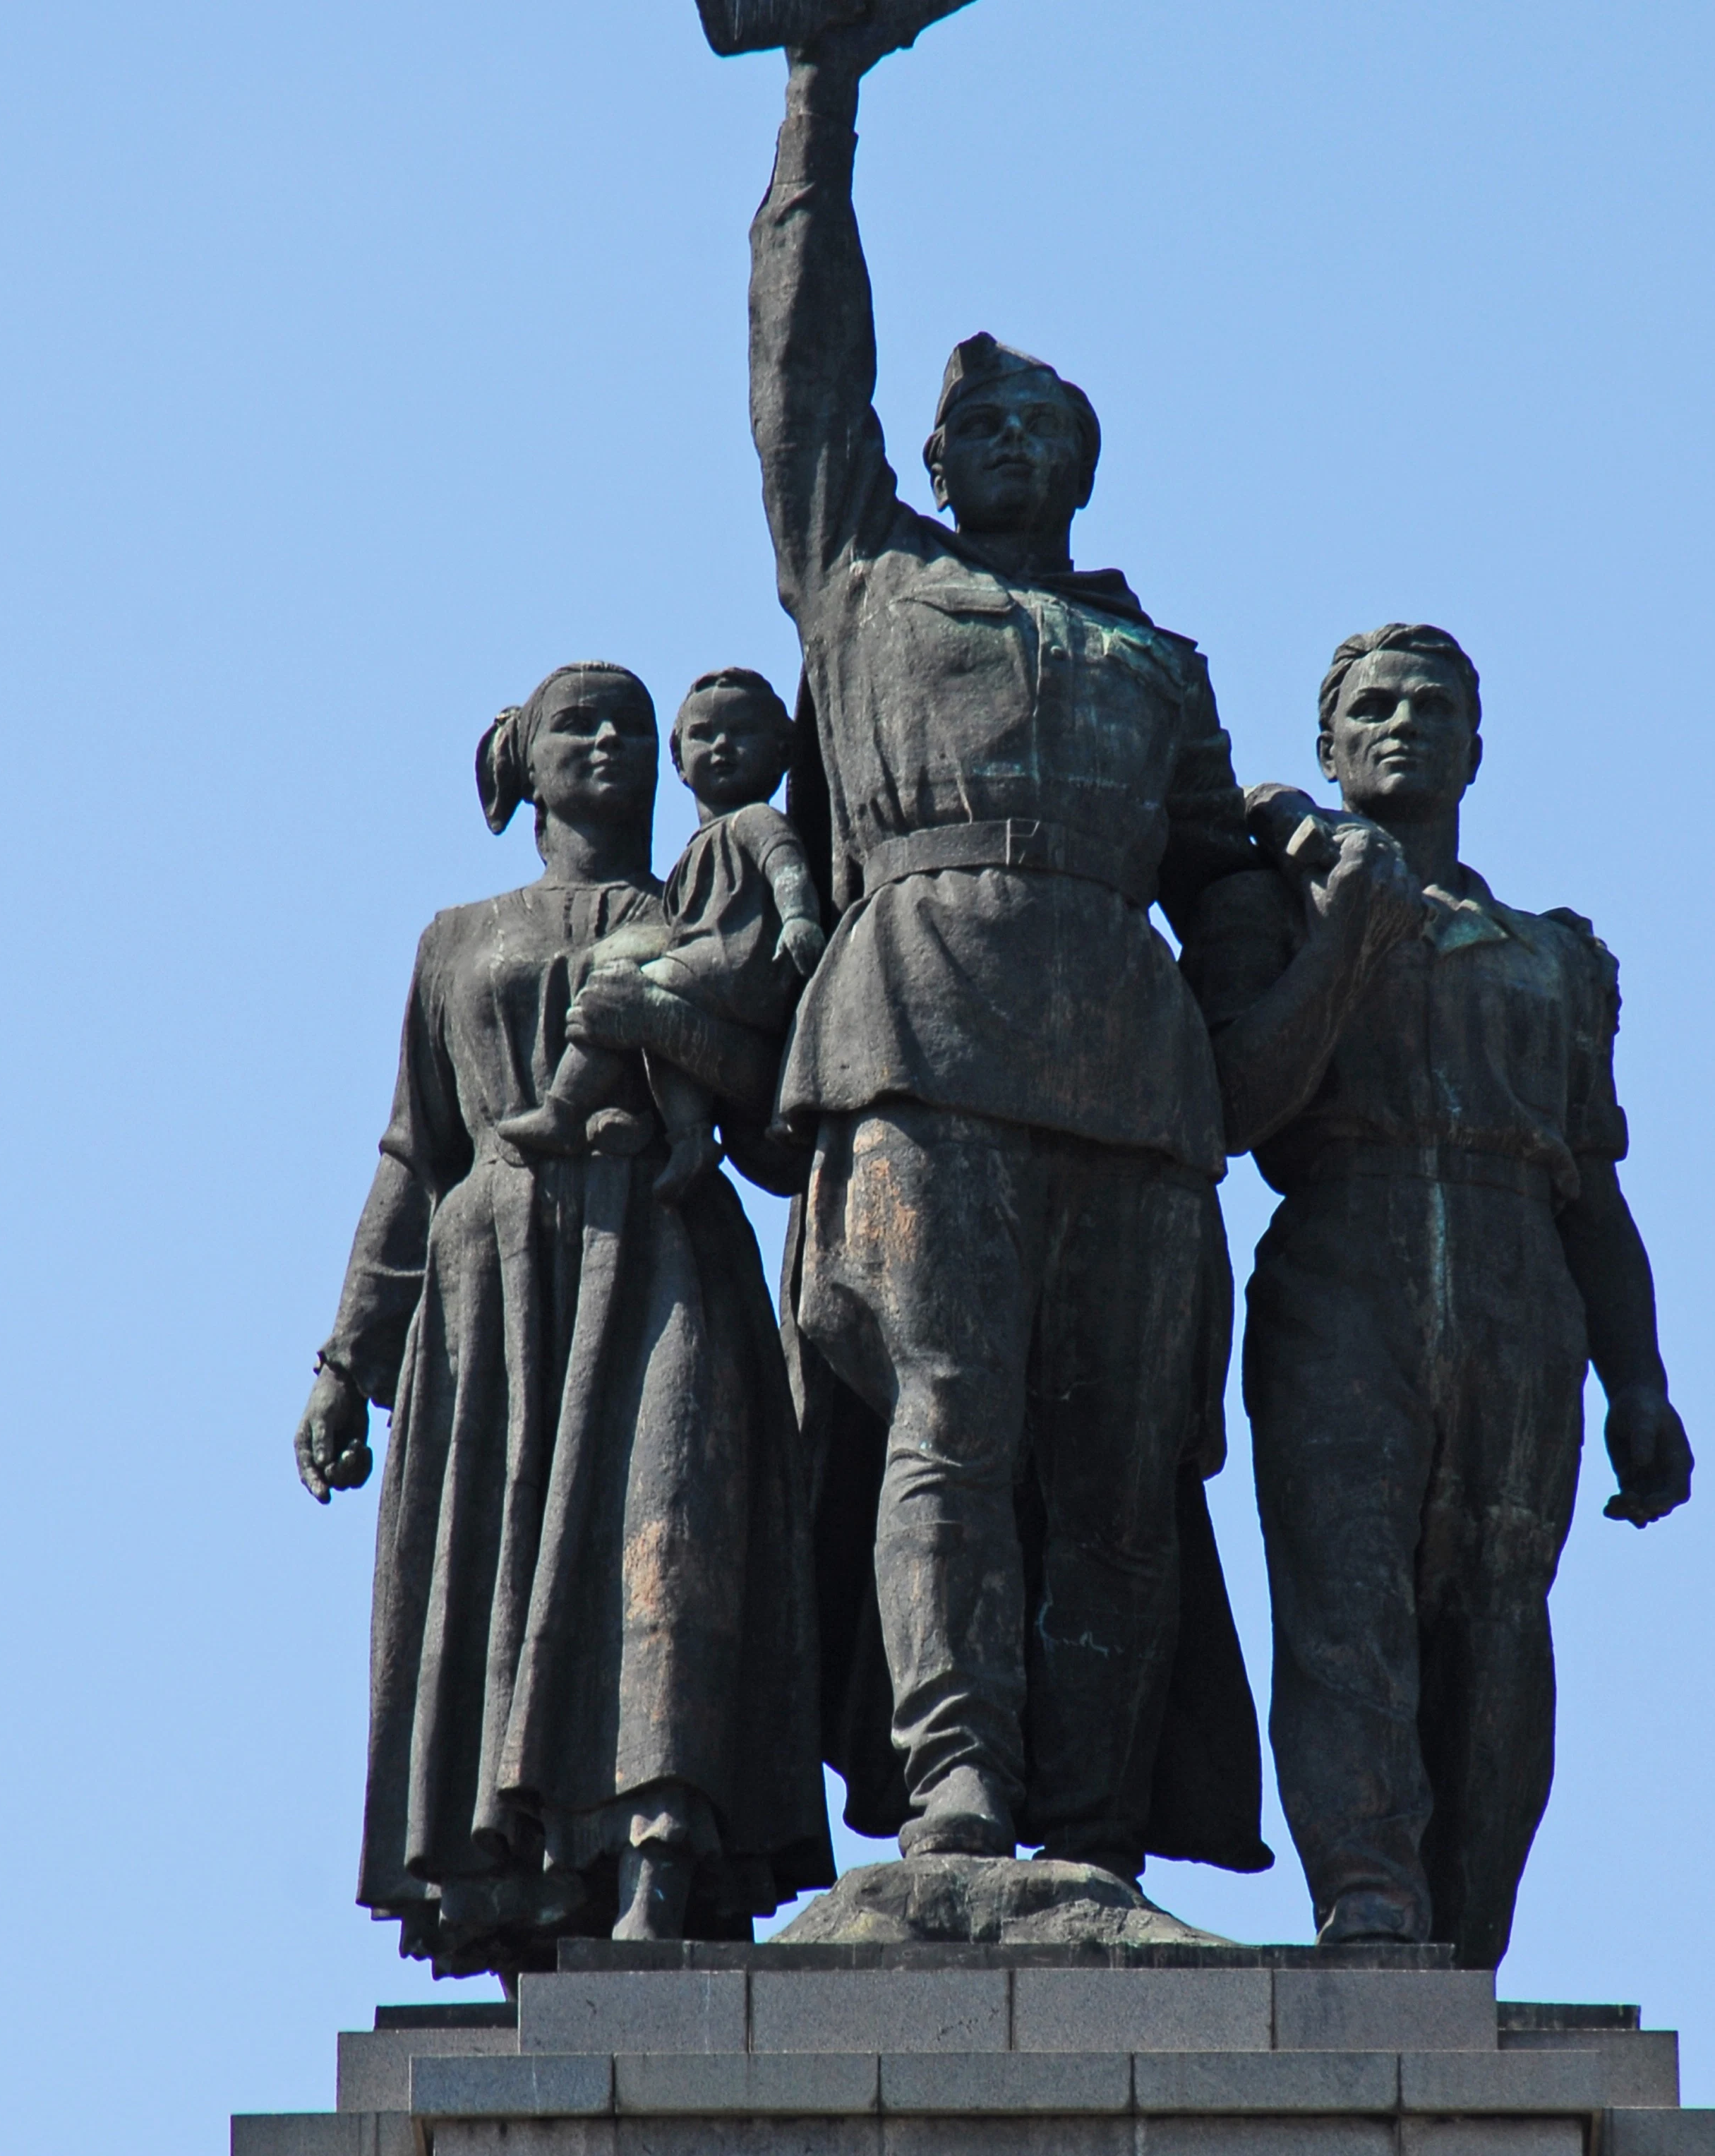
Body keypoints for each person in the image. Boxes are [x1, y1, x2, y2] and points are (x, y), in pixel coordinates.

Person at [604, 12, 1272, 1877]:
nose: (986, 439)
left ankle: (1094, 1822)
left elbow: (1224, 887)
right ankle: (956, 1774)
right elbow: (799, 369)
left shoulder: (1156, 663)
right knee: (948, 1429)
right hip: (919, 1031)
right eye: (963, 423)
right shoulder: (866, 576)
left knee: (1127, 1472)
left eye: (1025, 422)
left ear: (1079, 460)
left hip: (1133, 1074)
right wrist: (823, 96)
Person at [292, 660, 832, 1974]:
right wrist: (343, 1365)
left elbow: (777, 1114)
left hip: (664, 1246)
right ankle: (516, 1881)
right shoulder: (456, 940)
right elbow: (414, 1159)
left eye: (632, 724)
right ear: (521, 761)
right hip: (495, 1279)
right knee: (506, 1561)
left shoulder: (705, 901)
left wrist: (668, 1018)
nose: (608, 740)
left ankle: (660, 1859)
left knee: (673, 1535)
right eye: (576, 721)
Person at [1189, 624, 1695, 1962]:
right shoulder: (1270, 905)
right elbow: (1243, 1105)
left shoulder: (1557, 958)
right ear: (1329, 746)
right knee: (1346, 1600)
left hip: (1520, 1277)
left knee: (1496, 1619)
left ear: (1477, 745)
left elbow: (1593, 1186)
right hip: (1343, 1253)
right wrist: (1344, 914)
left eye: (1434, 704)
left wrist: (1637, 1378)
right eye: (1374, 704)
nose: (1404, 720)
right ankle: (1368, 1892)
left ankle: (1466, 1933)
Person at [498, 666, 826, 1201]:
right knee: (652, 1037)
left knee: (613, 994)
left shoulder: (755, 823)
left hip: (729, 961)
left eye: (741, 733)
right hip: (709, 963)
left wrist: (798, 918)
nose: (722, 747)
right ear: (679, 760)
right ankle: (691, 1138)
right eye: (704, 735)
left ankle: (563, 1111)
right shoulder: (697, 856)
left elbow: (785, 866)